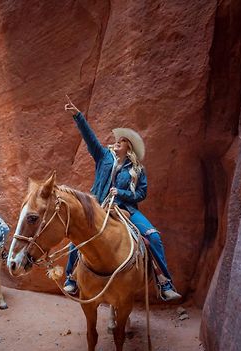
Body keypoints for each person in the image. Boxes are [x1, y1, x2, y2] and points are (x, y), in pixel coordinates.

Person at [63, 97, 181, 301]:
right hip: (100, 206)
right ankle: (71, 279)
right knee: (79, 235)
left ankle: (164, 283)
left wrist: (122, 193)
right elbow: (90, 138)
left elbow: (142, 194)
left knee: (152, 236)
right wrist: (78, 116)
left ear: (129, 148)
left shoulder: (137, 170)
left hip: (126, 210)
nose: (116, 143)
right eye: (116, 141)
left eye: (121, 141)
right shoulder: (103, 157)